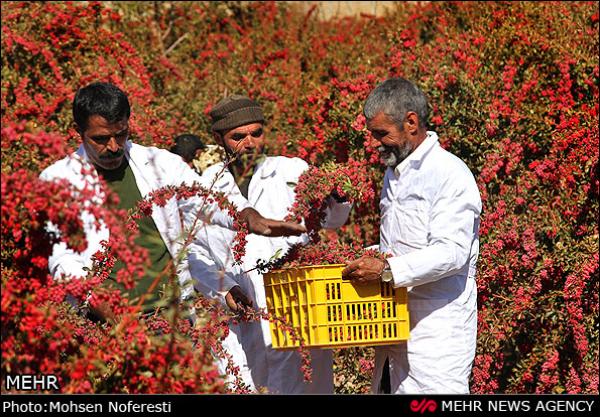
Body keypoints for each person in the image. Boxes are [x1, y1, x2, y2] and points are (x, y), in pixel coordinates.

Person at [39, 81, 306, 323]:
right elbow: (62, 259)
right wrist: (105, 308)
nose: (113, 146)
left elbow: (206, 201)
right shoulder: (59, 180)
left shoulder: (159, 164)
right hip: (99, 323)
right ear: (78, 131)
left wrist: (247, 217)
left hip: (168, 320)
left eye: (120, 135)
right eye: (100, 139)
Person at [199, 94, 352, 394]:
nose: (250, 143)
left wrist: (338, 194)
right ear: (219, 138)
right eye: (238, 136)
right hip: (240, 316)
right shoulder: (207, 185)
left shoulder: (291, 172)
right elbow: (196, 252)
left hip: (296, 311)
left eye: (257, 133)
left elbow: (332, 219)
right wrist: (224, 289)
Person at [342, 78, 482, 394]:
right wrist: (372, 255)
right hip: (394, 325)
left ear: (411, 123)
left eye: (382, 134)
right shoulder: (394, 173)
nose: (375, 143)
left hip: (436, 333)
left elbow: (451, 252)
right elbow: (401, 243)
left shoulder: (450, 174)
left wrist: (387, 269)